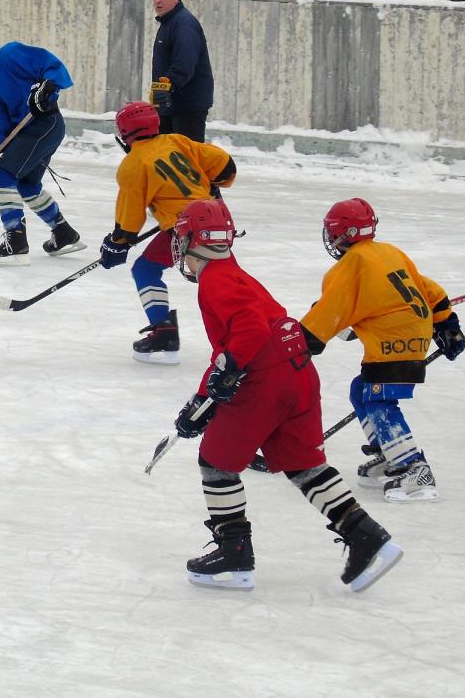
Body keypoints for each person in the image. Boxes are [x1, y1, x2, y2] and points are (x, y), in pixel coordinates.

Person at [169, 199, 402, 593]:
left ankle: (234, 553)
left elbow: (248, 333)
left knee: (216, 461)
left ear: (192, 239)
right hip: (298, 371)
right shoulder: (235, 273)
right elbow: (247, 335)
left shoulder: (215, 280)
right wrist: (205, 396)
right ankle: (367, 537)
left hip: (269, 377)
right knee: (302, 463)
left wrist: (217, 387)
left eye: (180, 237)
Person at [299, 198, 465, 502]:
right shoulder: (389, 252)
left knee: (379, 402)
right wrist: (447, 326)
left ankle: (413, 469)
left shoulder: (352, 264)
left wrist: (305, 341)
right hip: (411, 336)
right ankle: (390, 452)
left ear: (342, 234)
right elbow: (430, 291)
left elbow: (332, 309)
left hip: (394, 342)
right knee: (361, 389)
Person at [100, 101, 235, 364]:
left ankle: (164, 332)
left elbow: (130, 219)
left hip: (186, 228)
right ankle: (249, 328)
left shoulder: (133, 163)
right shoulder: (177, 140)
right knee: (224, 276)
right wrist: (211, 185)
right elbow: (225, 166)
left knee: (146, 270)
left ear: (125, 132)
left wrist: (117, 243)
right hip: (216, 217)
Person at [0, 20, 84, 265]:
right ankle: (64, 233)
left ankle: (15, 241)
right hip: (29, 131)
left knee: (3, 177)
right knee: (26, 184)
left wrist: (46, 87)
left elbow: (50, 64)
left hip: (45, 124)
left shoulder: (10, 54)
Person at [150, 0, 214, 142]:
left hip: (187, 105)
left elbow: (185, 62)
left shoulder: (183, 23)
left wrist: (167, 85)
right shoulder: (168, 24)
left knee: (186, 157)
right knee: (167, 154)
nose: (157, 1)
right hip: (170, 102)